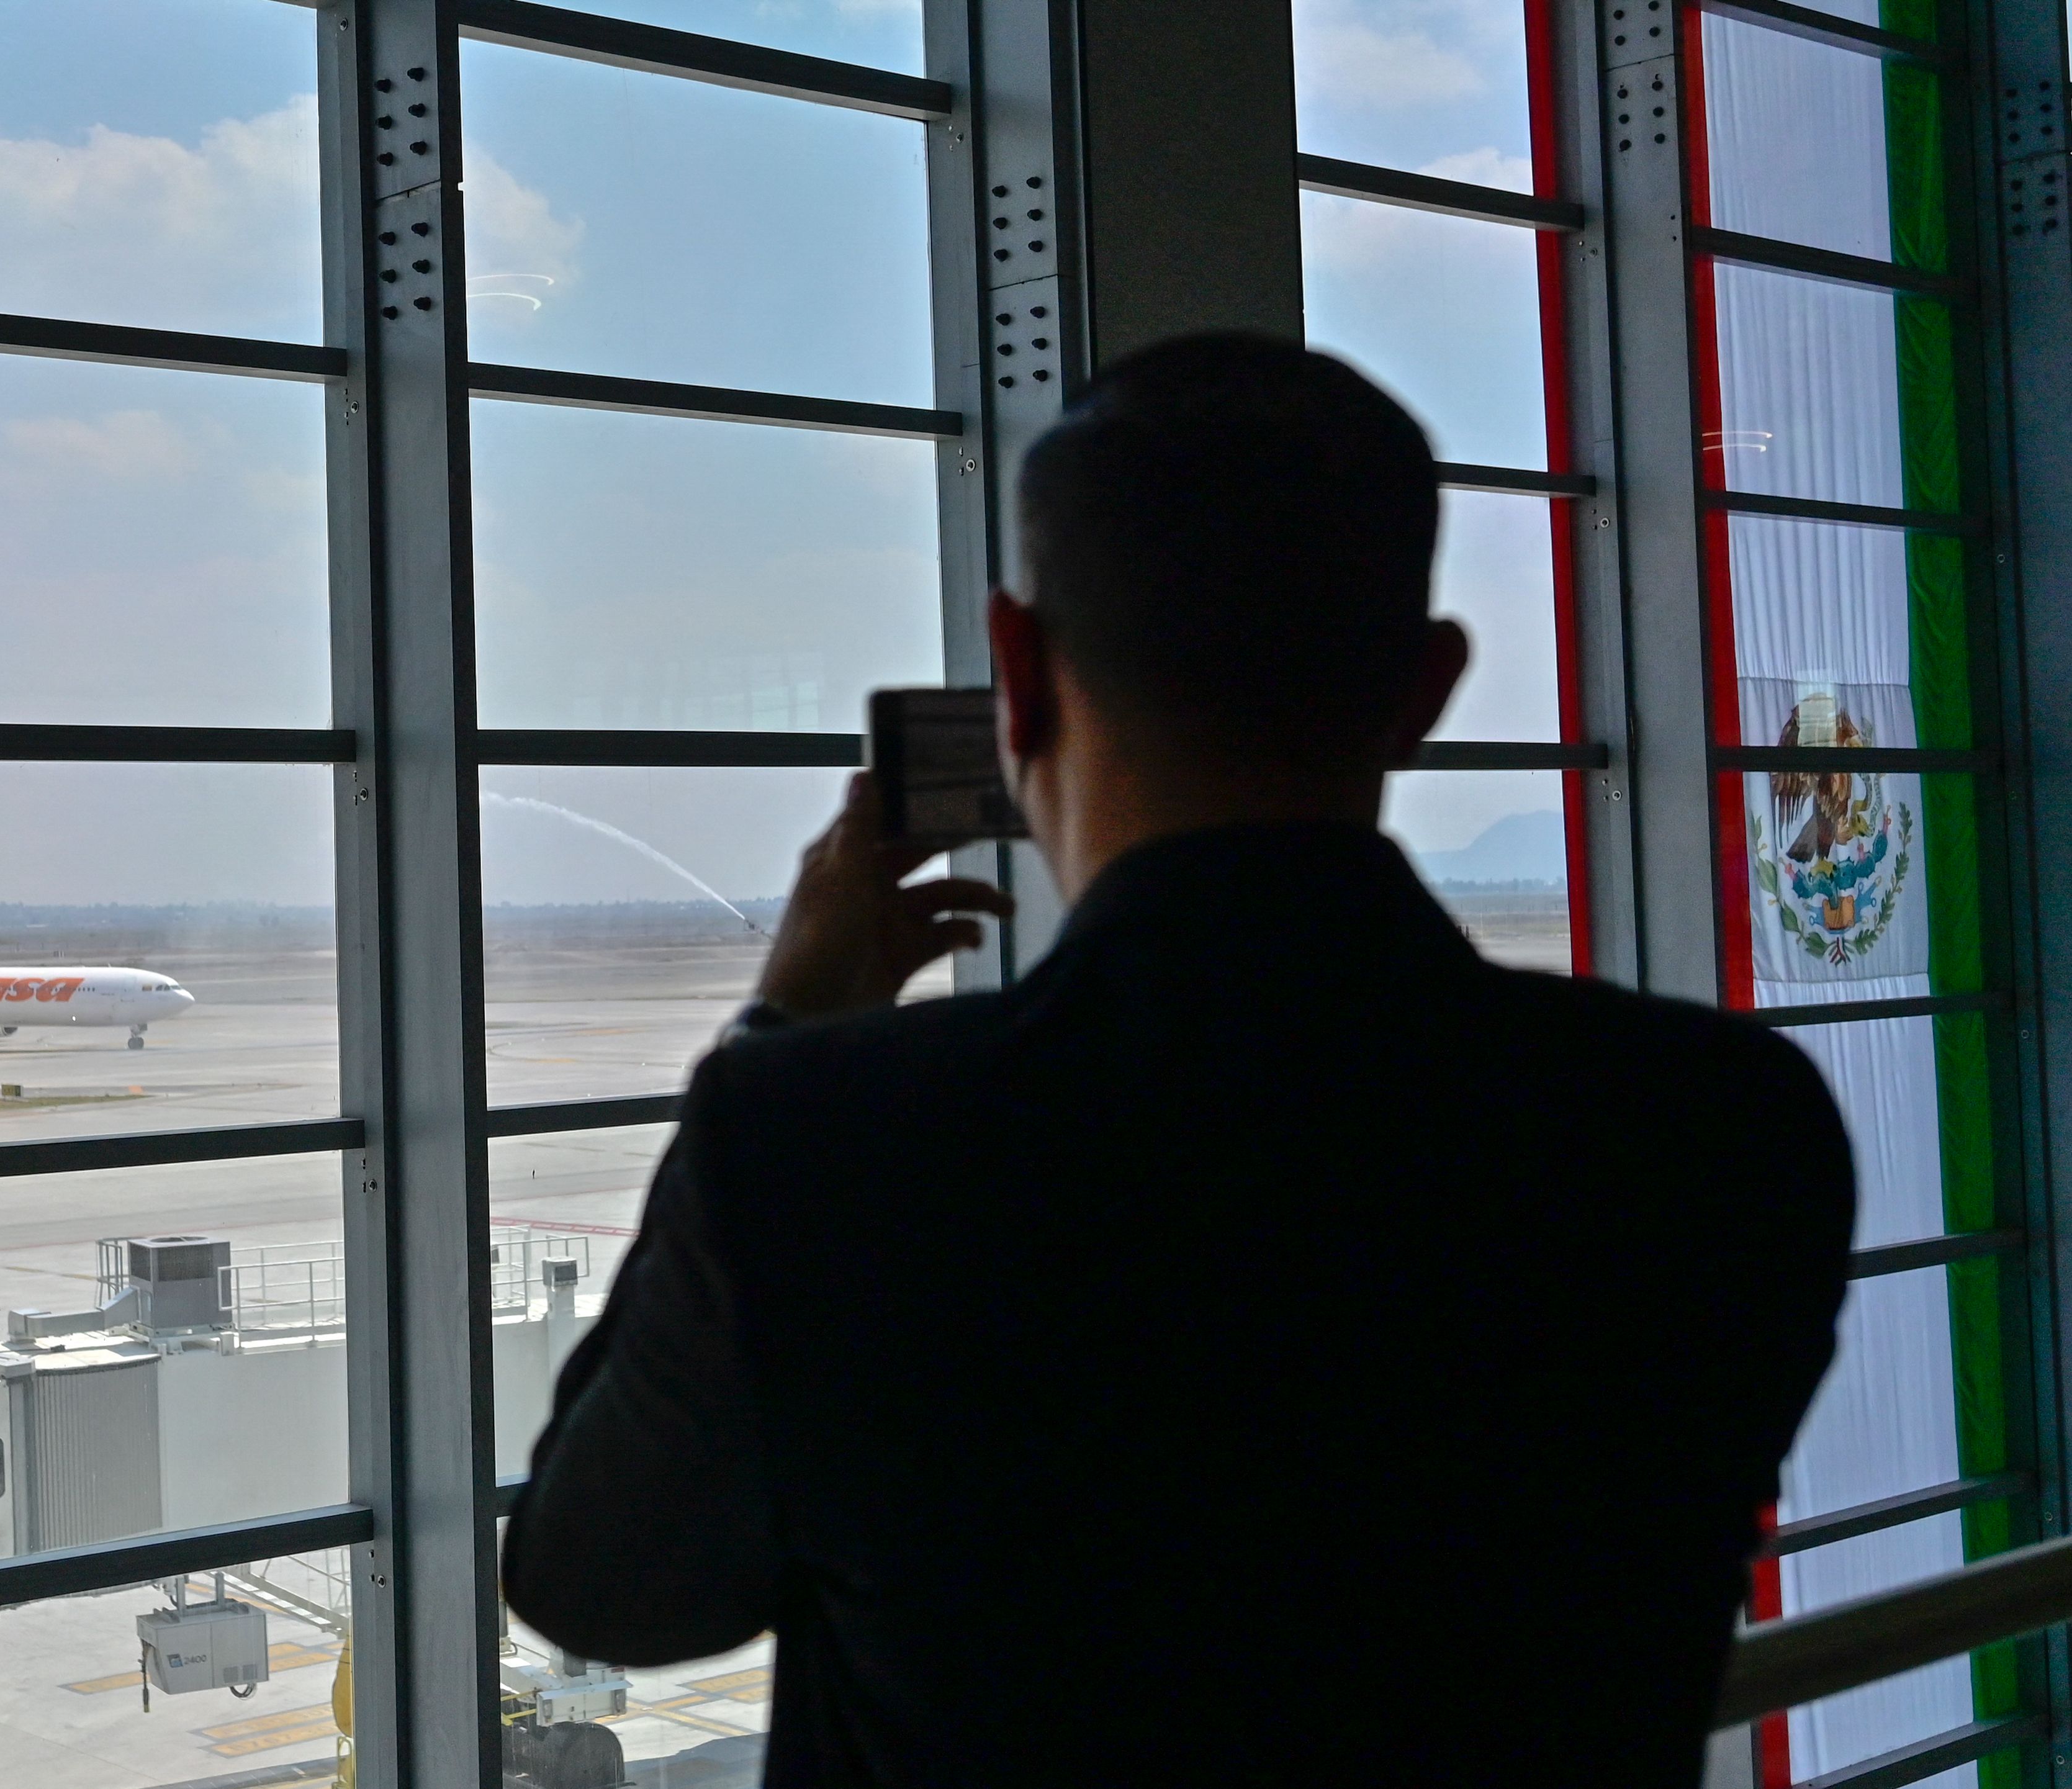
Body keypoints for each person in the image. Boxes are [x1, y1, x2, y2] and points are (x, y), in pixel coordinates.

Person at [502, 333, 1852, 1787]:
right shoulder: (1722, 1129)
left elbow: (602, 1585)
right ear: (1428, 686)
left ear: (1016, 676)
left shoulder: (834, 1140)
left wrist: (787, 1030)